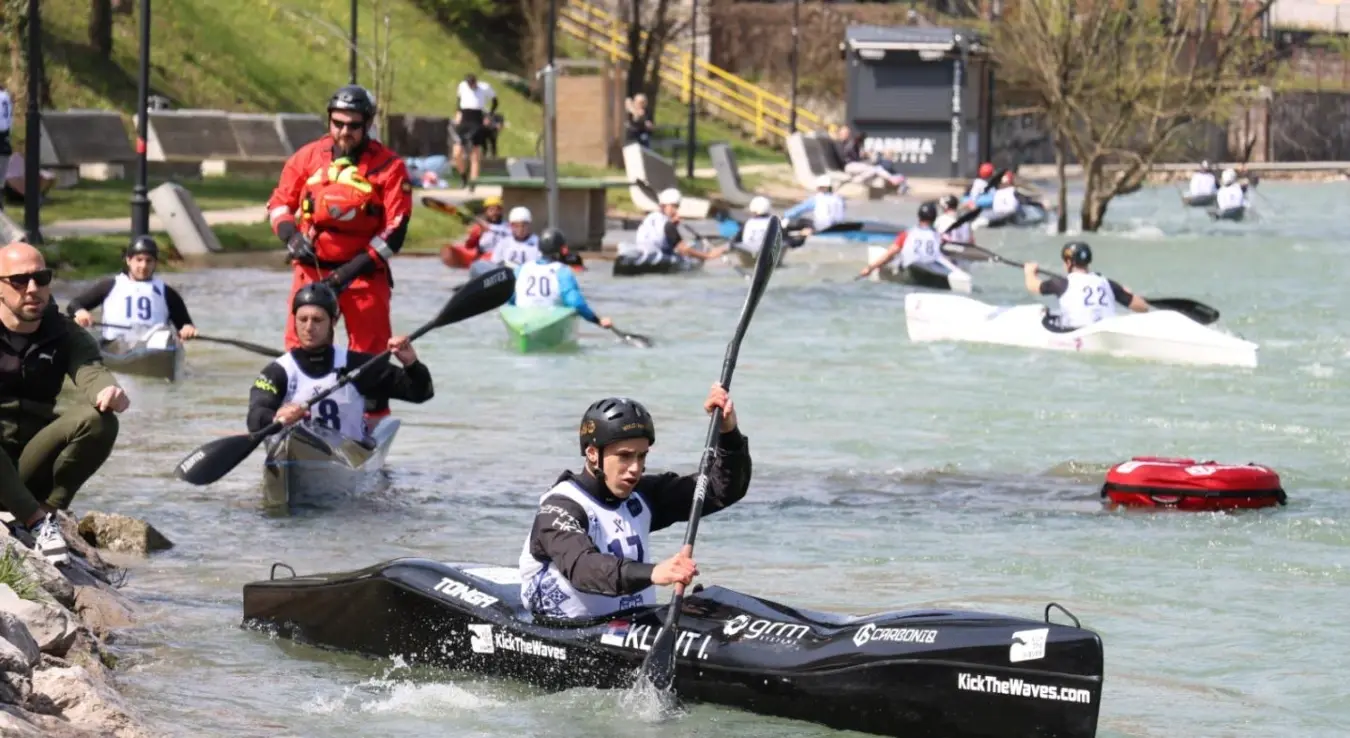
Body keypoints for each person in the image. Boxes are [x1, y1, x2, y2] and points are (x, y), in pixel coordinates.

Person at [518, 388, 752, 619]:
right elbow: (583, 568)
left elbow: (720, 490)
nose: (635, 468)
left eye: (642, 456)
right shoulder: (560, 509)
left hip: (633, 625)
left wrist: (728, 433)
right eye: (625, 456)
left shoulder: (641, 495)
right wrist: (654, 573)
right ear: (592, 453)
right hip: (566, 632)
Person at [266, 84, 412, 423]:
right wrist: (290, 236)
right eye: (338, 123)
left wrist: (347, 274)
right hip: (311, 271)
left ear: (368, 124)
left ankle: (370, 424)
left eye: (354, 125)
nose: (345, 131)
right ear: (329, 121)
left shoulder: (390, 168)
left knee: (371, 354)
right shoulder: (307, 157)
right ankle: (295, 417)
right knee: (300, 346)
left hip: (363, 275)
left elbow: (395, 234)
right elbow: (279, 203)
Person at [0, 242, 129, 565]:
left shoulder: (64, 333)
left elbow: (92, 372)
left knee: (100, 419)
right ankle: (35, 522)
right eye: (19, 280)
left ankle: (44, 515)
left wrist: (109, 390)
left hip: (28, 466)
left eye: (41, 278)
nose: (33, 289)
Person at [247, 282, 433, 443]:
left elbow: (420, 393)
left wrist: (412, 364)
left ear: (333, 321)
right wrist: (275, 417)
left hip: (347, 454)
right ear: (294, 321)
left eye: (318, 320)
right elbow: (255, 417)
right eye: (302, 319)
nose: (309, 327)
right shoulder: (278, 371)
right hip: (295, 448)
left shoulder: (357, 365)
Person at [66, 236, 198, 344]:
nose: (143, 265)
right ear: (128, 260)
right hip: (115, 344)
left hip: (154, 347)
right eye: (139, 260)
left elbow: (185, 324)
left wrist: (188, 329)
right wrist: (81, 312)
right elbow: (74, 305)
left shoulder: (167, 292)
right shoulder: (110, 286)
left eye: (149, 261)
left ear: (155, 263)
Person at [1023, 242, 1150, 330]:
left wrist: (1029, 272)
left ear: (1068, 262)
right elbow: (1143, 307)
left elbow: (1032, 286)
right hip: (1106, 329)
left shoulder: (1061, 283)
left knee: (1044, 314)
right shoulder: (1107, 283)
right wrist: (1126, 293)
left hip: (1076, 332)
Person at [510, 228, 612, 328]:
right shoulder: (562, 271)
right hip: (548, 322)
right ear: (559, 250)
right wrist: (598, 321)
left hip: (523, 323)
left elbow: (510, 299)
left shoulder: (521, 269)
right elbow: (576, 303)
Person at [859, 202, 959, 278]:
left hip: (910, 266)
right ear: (934, 218)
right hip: (931, 268)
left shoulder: (907, 234)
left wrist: (870, 268)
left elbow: (890, 253)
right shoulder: (939, 236)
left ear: (919, 217)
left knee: (896, 256)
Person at [630, 188, 728, 262]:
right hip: (655, 256)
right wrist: (708, 256)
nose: (676, 210)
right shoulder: (668, 225)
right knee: (687, 248)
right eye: (673, 206)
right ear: (663, 206)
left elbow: (660, 234)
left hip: (644, 252)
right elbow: (683, 249)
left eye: (677, 207)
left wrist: (674, 225)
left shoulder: (650, 217)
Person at [452, 73, 498, 190]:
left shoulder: (484, 87)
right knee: (457, 153)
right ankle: (463, 176)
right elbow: (459, 101)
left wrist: (489, 115)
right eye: (470, 84)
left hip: (477, 119)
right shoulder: (462, 86)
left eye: (473, 83)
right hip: (464, 118)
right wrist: (458, 113)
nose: (472, 86)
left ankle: (473, 183)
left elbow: (495, 101)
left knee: (475, 153)